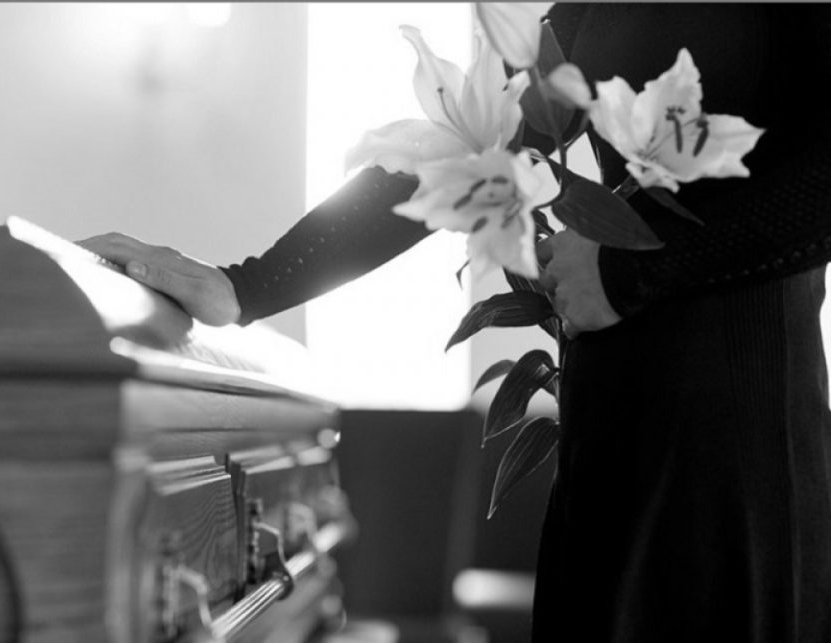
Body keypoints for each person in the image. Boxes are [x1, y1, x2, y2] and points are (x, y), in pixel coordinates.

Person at [80, 4, 831, 641]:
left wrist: (634, 269)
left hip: (737, 437)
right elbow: (464, 148)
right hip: (612, 429)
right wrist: (246, 285)